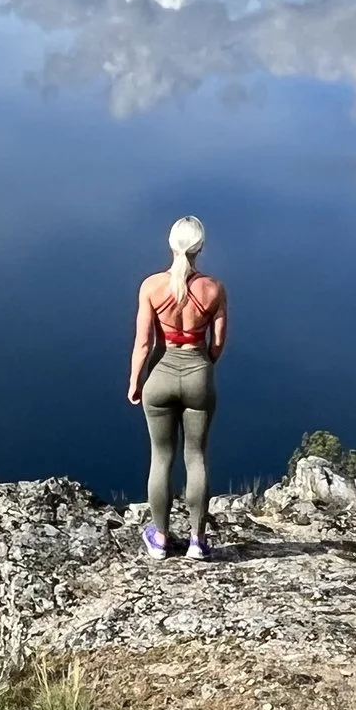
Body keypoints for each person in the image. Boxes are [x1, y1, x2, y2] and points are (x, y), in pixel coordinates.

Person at [127, 214, 228, 561]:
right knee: (196, 456)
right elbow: (217, 344)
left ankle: (159, 539)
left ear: (171, 244)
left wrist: (135, 382)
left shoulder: (152, 287)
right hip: (198, 375)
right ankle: (197, 542)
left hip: (160, 376)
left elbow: (143, 344)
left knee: (161, 457)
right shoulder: (213, 288)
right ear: (200, 247)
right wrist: (201, 365)